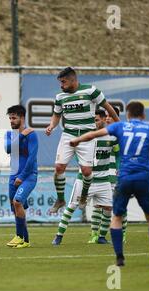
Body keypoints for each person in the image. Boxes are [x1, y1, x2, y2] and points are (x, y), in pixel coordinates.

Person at [70, 101, 149, 266]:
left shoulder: (120, 127)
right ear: (143, 114)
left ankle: (119, 257)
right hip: (144, 177)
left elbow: (93, 135)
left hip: (124, 177)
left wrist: (76, 140)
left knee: (117, 216)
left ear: (127, 114)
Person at [46, 67, 119, 213]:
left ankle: (84, 196)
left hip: (87, 136)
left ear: (73, 80)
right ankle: (60, 199)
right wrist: (51, 125)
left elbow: (107, 107)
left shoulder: (91, 91)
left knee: (86, 171)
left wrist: (119, 123)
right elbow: (56, 115)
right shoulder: (60, 97)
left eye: (63, 82)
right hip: (68, 134)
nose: (61, 85)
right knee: (59, 167)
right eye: (60, 82)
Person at [52, 110, 116, 245]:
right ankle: (58, 236)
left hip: (104, 180)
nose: (94, 122)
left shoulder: (112, 137)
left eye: (97, 120)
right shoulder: (86, 137)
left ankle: (102, 237)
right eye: (93, 120)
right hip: (85, 179)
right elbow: (75, 152)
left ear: (104, 119)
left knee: (108, 208)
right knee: (71, 207)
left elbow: (118, 153)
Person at [4, 105, 38, 248]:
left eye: (14, 118)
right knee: (16, 207)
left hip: (29, 176)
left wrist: (22, 176)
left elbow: (31, 158)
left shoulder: (32, 134)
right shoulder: (10, 134)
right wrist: (21, 135)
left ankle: (19, 237)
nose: (11, 120)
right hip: (13, 176)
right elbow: (8, 149)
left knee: (17, 202)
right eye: (10, 118)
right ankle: (25, 240)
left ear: (22, 118)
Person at [106, 106, 128, 242]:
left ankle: (123, 233)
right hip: (102, 174)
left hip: (115, 173)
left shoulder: (119, 134)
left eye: (110, 115)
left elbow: (120, 155)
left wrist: (120, 169)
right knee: (101, 206)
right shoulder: (101, 132)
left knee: (119, 204)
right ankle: (97, 235)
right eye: (106, 115)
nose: (107, 117)